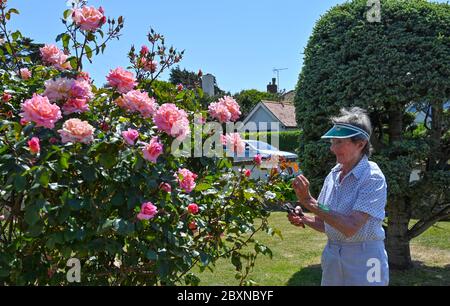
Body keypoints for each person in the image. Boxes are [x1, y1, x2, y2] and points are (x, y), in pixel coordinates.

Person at [288, 107, 389, 286]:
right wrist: (304, 218)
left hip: (367, 260)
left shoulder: (372, 176)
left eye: (339, 142)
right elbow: (326, 221)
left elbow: (350, 226)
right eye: (332, 142)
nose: (332, 149)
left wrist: (309, 202)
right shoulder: (334, 174)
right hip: (333, 256)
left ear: (361, 144)